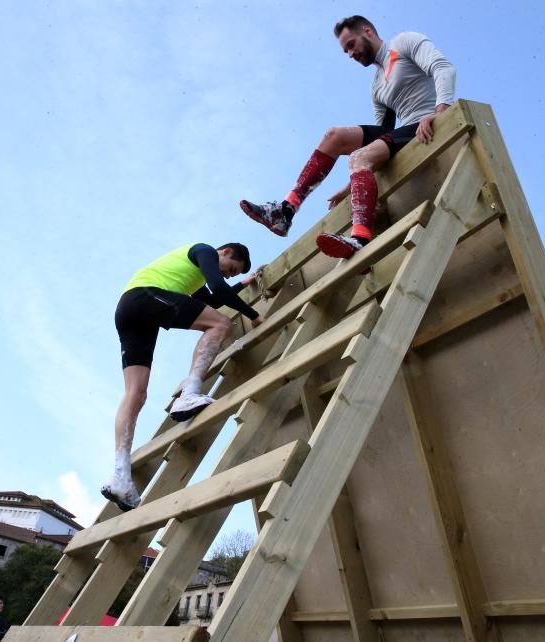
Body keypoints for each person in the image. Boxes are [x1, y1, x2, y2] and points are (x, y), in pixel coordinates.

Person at [240, 15, 456, 258]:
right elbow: (384, 135)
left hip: (428, 121)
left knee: (358, 156)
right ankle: (286, 210)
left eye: (351, 45)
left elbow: (443, 68)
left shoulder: (404, 42)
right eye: (345, 51)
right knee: (334, 136)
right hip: (405, 132)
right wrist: (353, 183)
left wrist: (441, 114)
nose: (350, 54)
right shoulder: (376, 87)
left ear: (367, 32)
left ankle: (360, 239)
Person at [101, 242, 265, 512]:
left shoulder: (192, 273)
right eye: (231, 269)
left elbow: (210, 300)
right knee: (221, 323)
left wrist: (245, 283)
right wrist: (254, 314)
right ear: (224, 252)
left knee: (136, 394)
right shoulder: (205, 250)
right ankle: (189, 394)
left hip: (130, 310)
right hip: (145, 297)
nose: (228, 275)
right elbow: (218, 288)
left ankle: (120, 475)